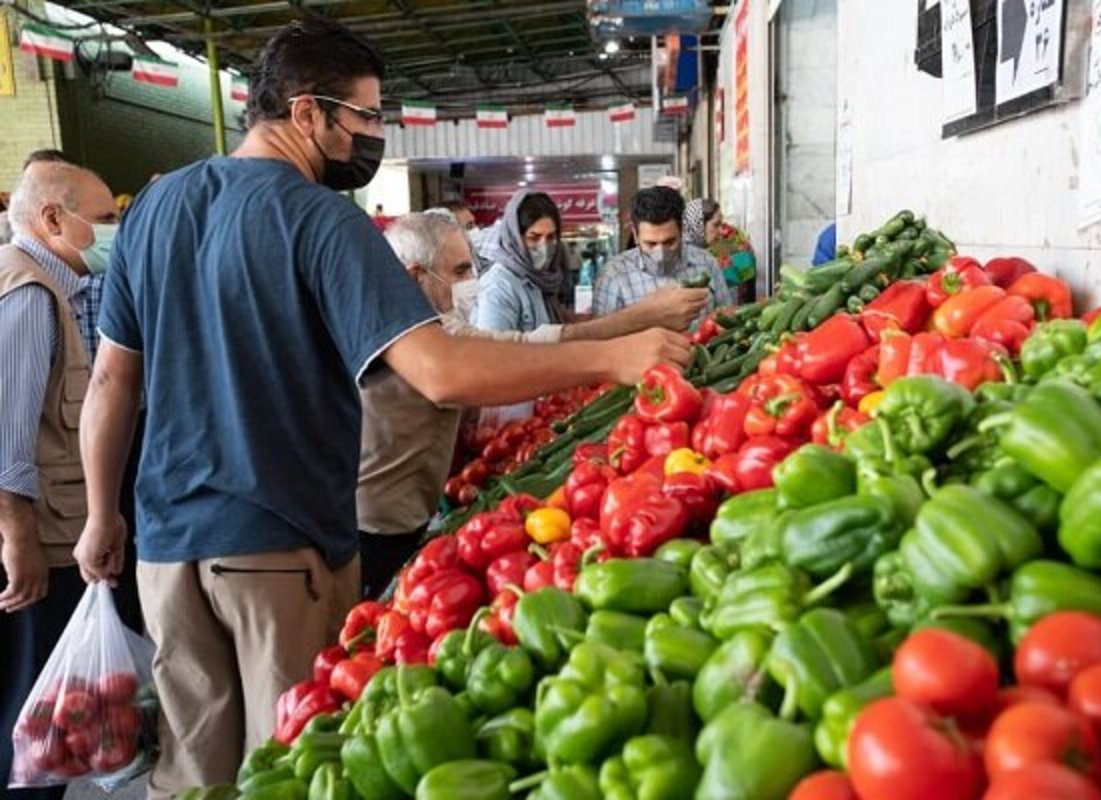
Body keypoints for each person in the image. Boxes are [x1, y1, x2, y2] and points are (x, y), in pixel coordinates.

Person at [71, 17, 689, 797]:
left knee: (189, 772)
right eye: (363, 117)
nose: (371, 137)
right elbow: (437, 370)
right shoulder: (320, 219)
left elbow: (112, 383)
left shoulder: (155, 211)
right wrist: (612, 354)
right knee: (289, 766)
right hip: (276, 542)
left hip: (165, 548)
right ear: (307, 113)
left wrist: (103, 515)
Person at [356, 214, 709, 596]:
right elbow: (463, 374)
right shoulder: (396, 333)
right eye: (459, 271)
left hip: (409, 513)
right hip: (370, 525)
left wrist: (634, 325)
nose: (470, 281)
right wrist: (615, 351)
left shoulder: (440, 324)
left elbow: (524, 345)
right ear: (415, 277)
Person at [0, 159, 119, 798]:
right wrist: (18, 539)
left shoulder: (47, 287)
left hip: (44, 528)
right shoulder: (27, 294)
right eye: (103, 220)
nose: (112, 232)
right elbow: (5, 432)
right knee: (35, 718)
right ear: (53, 220)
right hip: (35, 540)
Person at [594, 186, 733, 318]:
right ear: (636, 236)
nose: (660, 252)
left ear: (682, 231)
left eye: (669, 242)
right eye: (651, 243)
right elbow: (601, 338)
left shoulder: (706, 262)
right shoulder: (614, 275)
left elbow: (726, 316)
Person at [474, 190, 569, 333]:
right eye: (534, 237)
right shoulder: (499, 287)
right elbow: (493, 352)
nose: (543, 247)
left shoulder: (541, 281)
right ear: (515, 238)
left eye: (550, 237)